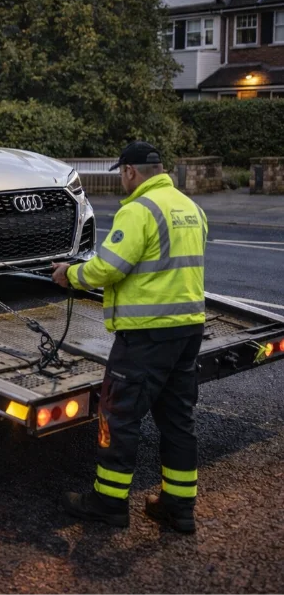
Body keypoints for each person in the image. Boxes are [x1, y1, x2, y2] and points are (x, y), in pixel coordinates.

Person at [51, 141, 207, 534]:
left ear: (130, 172)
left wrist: (69, 275)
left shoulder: (139, 210)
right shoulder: (190, 207)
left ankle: (108, 503)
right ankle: (178, 506)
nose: (123, 180)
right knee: (177, 419)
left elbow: (109, 268)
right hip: (187, 329)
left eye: (122, 173)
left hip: (146, 335)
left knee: (118, 417)